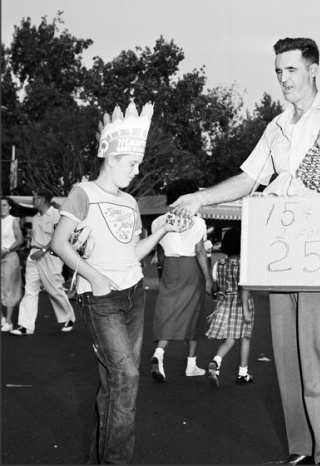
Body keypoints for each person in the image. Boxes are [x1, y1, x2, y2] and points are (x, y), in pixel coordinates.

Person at [171, 37, 320, 466]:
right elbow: (248, 179)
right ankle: (302, 450)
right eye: (279, 71)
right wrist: (200, 197)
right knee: (288, 359)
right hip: (281, 252)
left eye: (292, 70)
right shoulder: (277, 126)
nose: (283, 79)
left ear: (314, 69)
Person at [51, 101, 194, 464]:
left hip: (133, 294)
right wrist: (95, 277)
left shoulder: (130, 201)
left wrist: (160, 229)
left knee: (114, 384)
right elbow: (58, 242)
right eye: (132, 163)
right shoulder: (83, 193)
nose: (136, 170)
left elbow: (133, 252)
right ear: (112, 157)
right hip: (100, 299)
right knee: (128, 377)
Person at [150, 178, 213, 382]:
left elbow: (159, 253)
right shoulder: (197, 222)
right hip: (191, 268)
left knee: (168, 310)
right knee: (193, 313)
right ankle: (191, 364)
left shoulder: (158, 222)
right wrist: (209, 279)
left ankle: (159, 353)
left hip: (169, 266)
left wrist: (162, 272)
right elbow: (200, 252)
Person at [10, 189, 76, 336]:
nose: (33, 201)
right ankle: (25, 326)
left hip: (50, 256)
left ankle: (69, 317)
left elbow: (60, 236)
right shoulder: (35, 218)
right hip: (34, 255)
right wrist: (35, 252)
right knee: (30, 290)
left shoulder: (56, 215)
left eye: (35, 198)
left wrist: (43, 251)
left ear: (43, 200)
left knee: (54, 289)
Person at [206, 226, 254, 386]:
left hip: (225, 303)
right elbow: (244, 289)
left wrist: (215, 295)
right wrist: (246, 311)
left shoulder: (218, 264)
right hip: (241, 303)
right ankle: (243, 373)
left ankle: (216, 362)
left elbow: (215, 286)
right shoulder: (243, 266)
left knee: (229, 339)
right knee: (245, 338)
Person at [1, 197, 24, 332]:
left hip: (9, 256)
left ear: (9, 207)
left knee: (8, 288)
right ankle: (2, 318)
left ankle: (9, 322)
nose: (1, 207)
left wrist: (8, 249)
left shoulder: (13, 220)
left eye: (4, 205)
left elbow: (20, 239)